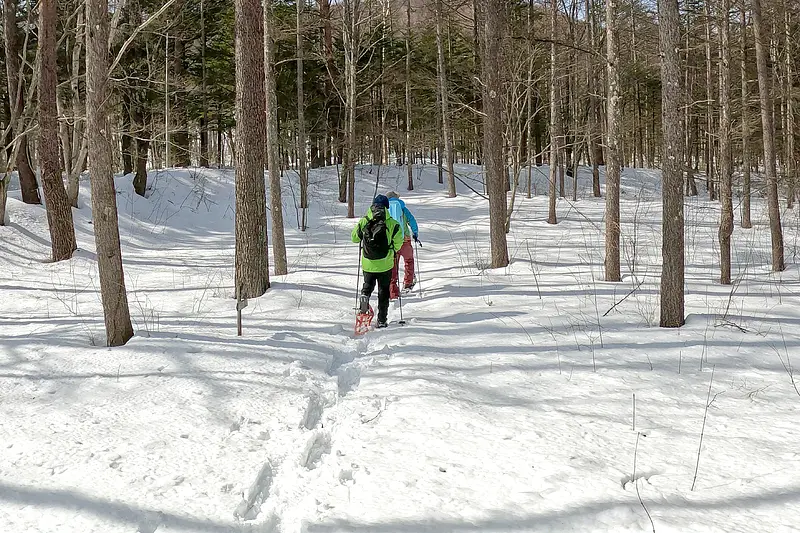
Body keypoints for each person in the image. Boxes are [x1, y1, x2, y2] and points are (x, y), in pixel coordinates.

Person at [351, 195, 404, 328]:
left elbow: (354, 239)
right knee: (383, 291)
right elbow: (399, 242)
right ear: (387, 207)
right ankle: (381, 320)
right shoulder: (392, 223)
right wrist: (391, 251)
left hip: (368, 262)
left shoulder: (364, 221)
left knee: (368, 284)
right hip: (385, 263)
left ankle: (365, 296)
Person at [385, 191, 419, 299]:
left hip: (392, 242)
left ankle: (392, 292)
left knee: (392, 265)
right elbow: (412, 220)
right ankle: (408, 283)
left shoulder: (385, 210)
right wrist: (415, 233)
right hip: (405, 240)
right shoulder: (403, 208)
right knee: (409, 261)